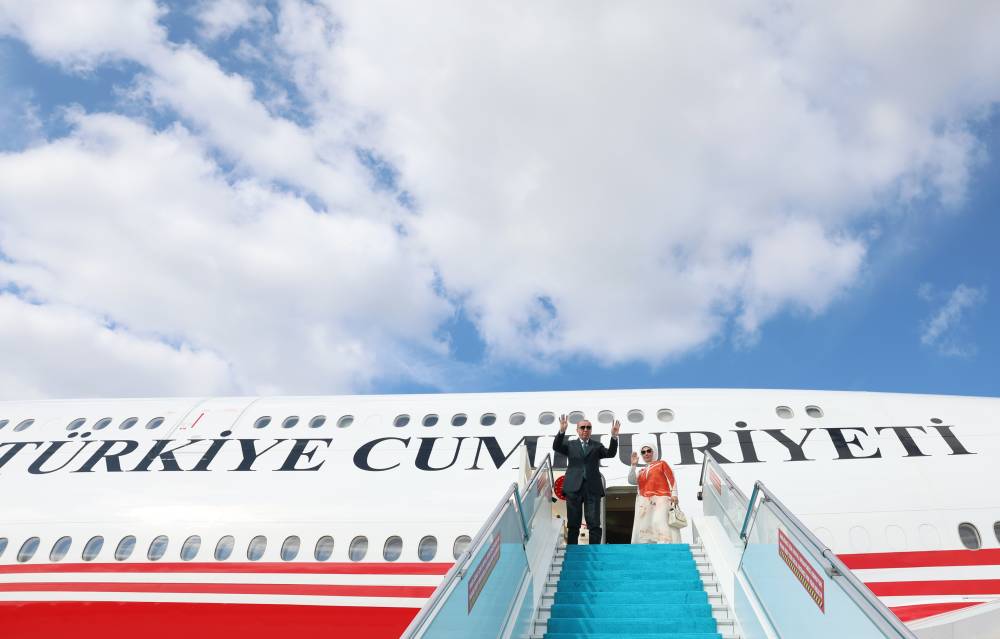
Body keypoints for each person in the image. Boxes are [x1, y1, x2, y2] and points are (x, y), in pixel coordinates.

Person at [552, 415, 620, 545]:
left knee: (594, 523)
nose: (585, 430)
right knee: (573, 523)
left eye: (588, 427)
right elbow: (556, 446)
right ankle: (573, 550)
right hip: (573, 487)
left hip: (592, 487)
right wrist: (562, 431)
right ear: (577, 430)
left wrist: (614, 437)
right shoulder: (571, 444)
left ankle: (594, 550)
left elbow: (610, 453)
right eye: (582, 427)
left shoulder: (596, 446)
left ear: (591, 430)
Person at [628, 439, 680, 543]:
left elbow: (671, 478)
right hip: (645, 502)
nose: (646, 453)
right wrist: (633, 466)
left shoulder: (662, 464)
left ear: (654, 452)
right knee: (645, 525)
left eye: (649, 451)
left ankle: (665, 544)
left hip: (661, 499)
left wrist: (674, 494)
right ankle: (648, 546)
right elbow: (631, 481)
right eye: (643, 452)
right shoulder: (641, 471)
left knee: (659, 521)